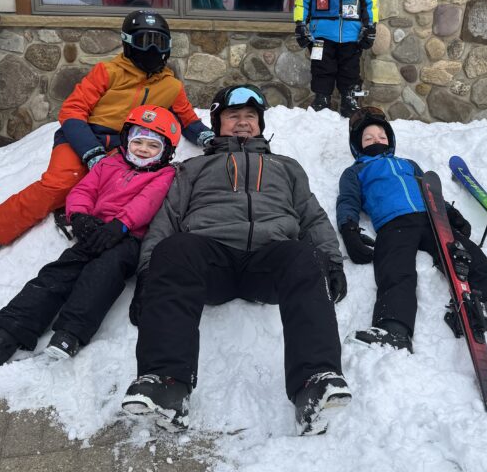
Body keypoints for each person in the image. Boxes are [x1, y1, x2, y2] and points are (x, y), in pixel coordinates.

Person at [121, 84, 351, 435]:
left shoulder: (287, 167)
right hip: (209, 259)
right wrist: (148, 275)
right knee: (174, 248)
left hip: (269, 261)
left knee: (305, 254)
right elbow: (166, 219)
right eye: (233, 116)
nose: (242, 123)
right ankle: (167, 384)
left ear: (259, 123)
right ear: (217, 123)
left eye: (250, 117)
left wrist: (332, 262)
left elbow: (312, 217)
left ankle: (314, 383)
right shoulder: (193, 167)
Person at [0, 10, 214, 268]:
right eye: (143, 41)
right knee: (60, 183)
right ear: (128, 43)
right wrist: (90, 150)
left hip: (124, 146)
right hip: (82, 135)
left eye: (159, 43)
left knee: (121, 185)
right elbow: (72, 110)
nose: (152, 49)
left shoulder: (171, 86)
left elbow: (188, 119)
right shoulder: (108, 72)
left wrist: (207, 137)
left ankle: (74, 212)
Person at [0, 106, 178, 369]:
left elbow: (148, 202)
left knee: (102, 273)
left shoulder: (165, 174)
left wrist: (121, 225)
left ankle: (71, 333)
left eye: (152, 145)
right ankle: (4, 334)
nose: (143, 149)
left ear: (166, 151)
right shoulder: (109, 163)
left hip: (126, 239)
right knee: (56, 274)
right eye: (137, 142)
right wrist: (79, 216)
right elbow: (83, 190)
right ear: (126, 141)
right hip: (94, 231)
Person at [336, 108, 487, 354]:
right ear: (357, 146)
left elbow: (429, 190)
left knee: (473, 261)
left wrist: (449, 213)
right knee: (395, 269)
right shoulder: (355, 171)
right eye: (368, 138)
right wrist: (348, 227)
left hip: (432, 219)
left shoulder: (408, 164)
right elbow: (348, 200)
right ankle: (394, 330)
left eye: (381, 136)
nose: (376, 140)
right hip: (393, 223)